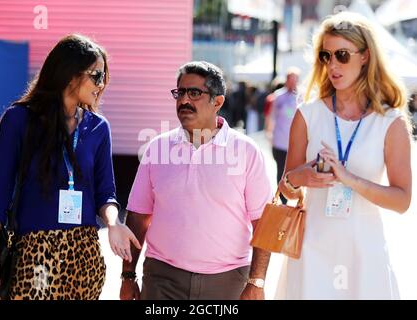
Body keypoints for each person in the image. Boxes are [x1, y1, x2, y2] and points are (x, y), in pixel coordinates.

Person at [250, 12, 412, 300]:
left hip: (364, 252)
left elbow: (401, 201)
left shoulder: (390, 122)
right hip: (311, 248)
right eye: (326, 56)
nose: (333, 65)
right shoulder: (307, 114)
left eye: (342, 55)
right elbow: (287, 190)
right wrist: (298, 178)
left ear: (365, 56)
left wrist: (349, 179)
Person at [0, 34, 141, 300]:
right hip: (35, 255)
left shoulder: (98, 127)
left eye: (104, 78)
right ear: (70, 74)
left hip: (85, 255)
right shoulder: (19, 119)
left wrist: (114, 224)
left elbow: (106, 194)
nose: (101, 86)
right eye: (96, 76)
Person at [120, 61, 273, 300]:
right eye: (180, 93)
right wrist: (128, 276)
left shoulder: (246, 152)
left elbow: (264, 222)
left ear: (218, 102)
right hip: (163, 280)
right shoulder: (157, 148)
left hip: (228, 282)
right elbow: (138, 217)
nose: (183, 101)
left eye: (194, 93)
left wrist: (257, 281)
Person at [268, 67, 300, 203]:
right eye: (290, 79)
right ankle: (282, 199)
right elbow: (271, 116)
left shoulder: (302, 96)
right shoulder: (278, 96)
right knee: (281, 170)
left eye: (295, 79)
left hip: (296, 143)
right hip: (280, 141)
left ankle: (294, 196)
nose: (292, 82)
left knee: (295, 172)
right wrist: (269, 133)